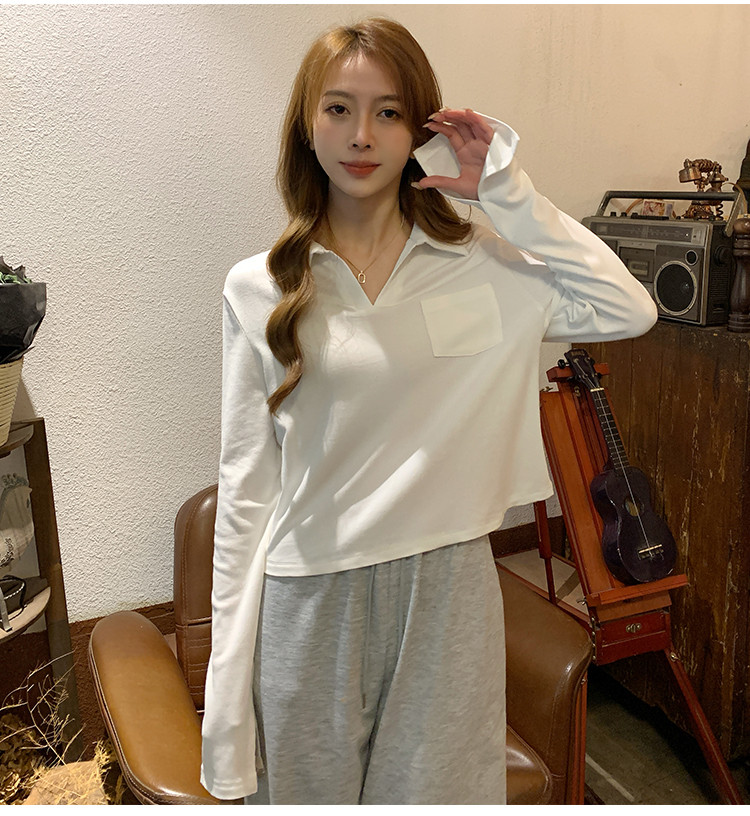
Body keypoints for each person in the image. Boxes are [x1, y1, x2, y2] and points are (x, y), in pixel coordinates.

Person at [200, 17, 657, 806]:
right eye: (338, 108)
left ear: (418, 129)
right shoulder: (260, 287)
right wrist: (226, 704)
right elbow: (246, 491)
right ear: (307, 125)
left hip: (448, 590)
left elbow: (628, 308)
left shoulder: (481, 263)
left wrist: (509, 195)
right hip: (310, 598)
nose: (361, 135)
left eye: (388, 112)